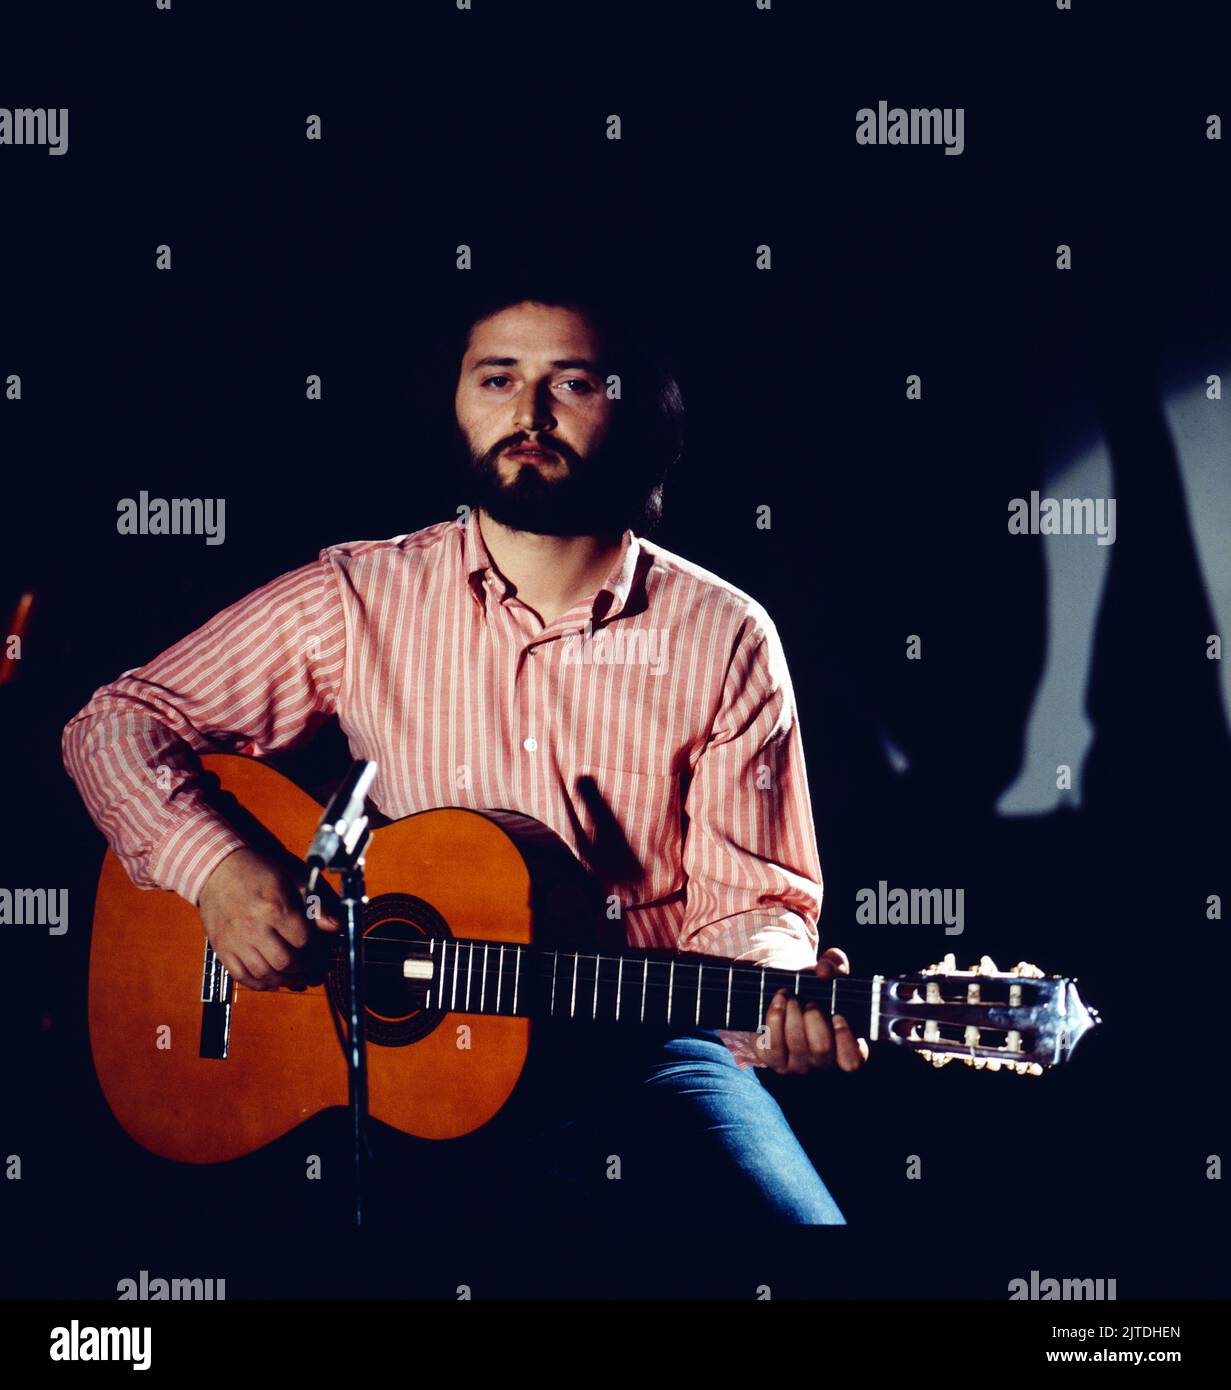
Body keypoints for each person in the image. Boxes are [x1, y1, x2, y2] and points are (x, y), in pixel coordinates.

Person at [62, 281, 867, 1224]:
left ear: (635, 408)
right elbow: (114, 725)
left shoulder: (725, 635)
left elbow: (752, 907)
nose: (527, 413)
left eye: (571, 382)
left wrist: (777, 1003)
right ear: (456, 401)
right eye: (497, 378)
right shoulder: (355, 598)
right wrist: (220, 873)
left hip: (640, 1054)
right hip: (383, 1067)